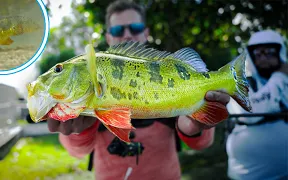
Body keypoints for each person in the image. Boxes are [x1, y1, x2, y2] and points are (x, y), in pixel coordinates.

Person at [47, 1, 230, 179]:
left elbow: (202, 143)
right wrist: (77, 130)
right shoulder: (90, 78)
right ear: (109, 37)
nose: (127, 35)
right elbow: (77, 151)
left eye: (135, 28)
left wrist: (194, 125)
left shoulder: (167, 71)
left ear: (145, 33)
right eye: (118, 30)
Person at [226, 30, 288, 180]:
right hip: (247, 175)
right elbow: (250, 113)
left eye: (270, 51)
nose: (263, 57)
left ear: (280, 52)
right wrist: (279, 77)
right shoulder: (239, 82)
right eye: (258, 53)